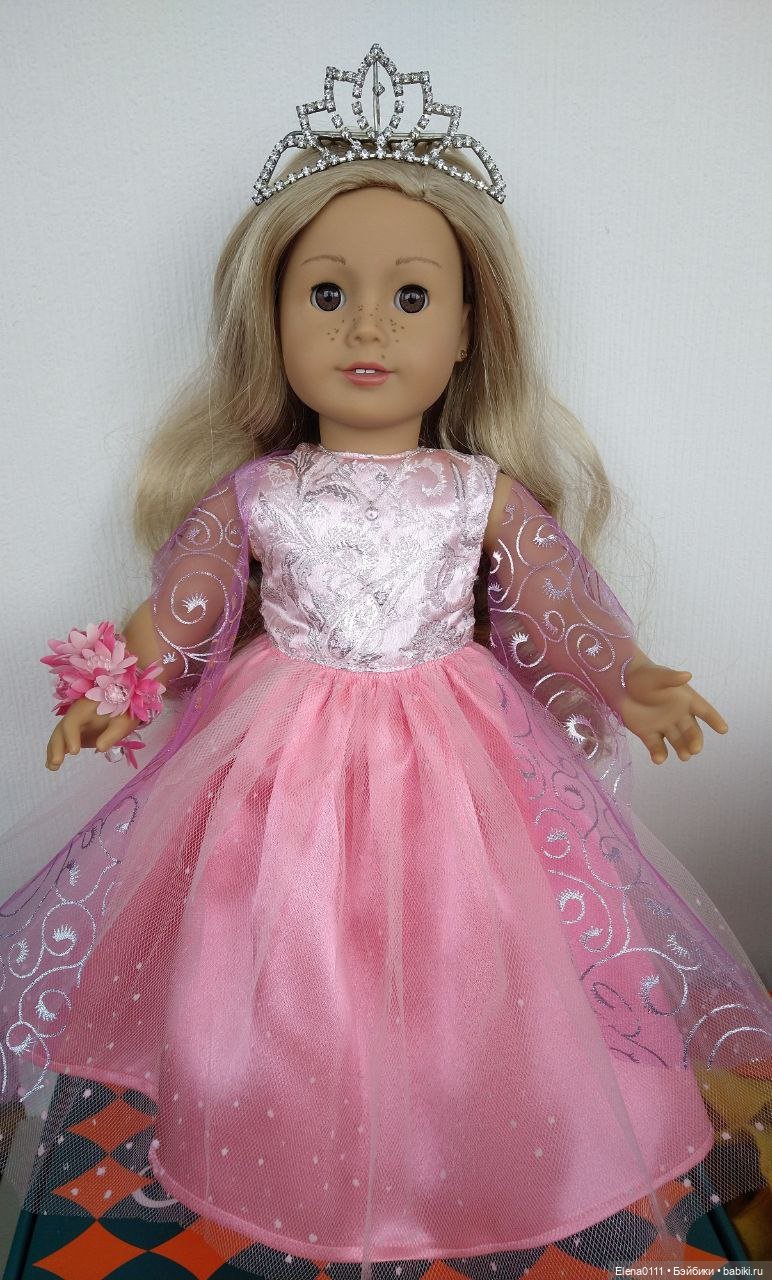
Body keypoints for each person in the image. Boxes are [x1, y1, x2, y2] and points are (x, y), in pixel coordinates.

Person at [1, 43, 769, 1280]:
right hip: (280, 754)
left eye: (410, 298)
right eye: (326, 294)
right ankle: (279, 1132)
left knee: (464, 947)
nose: (366, 325)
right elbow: (179, 609)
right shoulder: (260, 492)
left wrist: (627, 678)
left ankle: (449, 1139)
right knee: (282, 951)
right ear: (273, 323)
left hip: (453, 751)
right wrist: (113, 688)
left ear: (466, 330)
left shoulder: (477, 491)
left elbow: (557, 598)